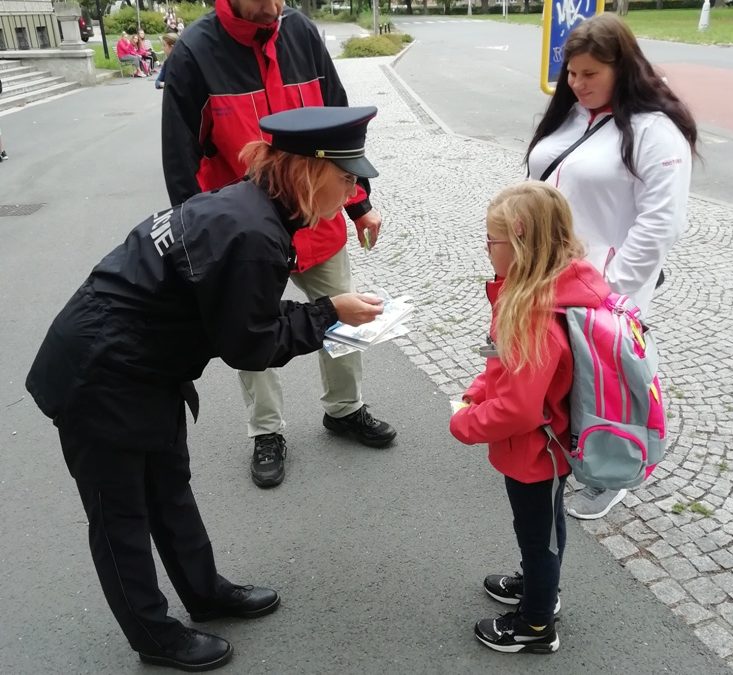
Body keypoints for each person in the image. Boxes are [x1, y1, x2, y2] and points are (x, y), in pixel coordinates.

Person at [25, 106, 385, 673]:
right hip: (100, 373)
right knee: (121, 514)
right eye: (347, 178)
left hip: (144, 365)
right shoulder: (250, 229)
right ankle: (153, 635)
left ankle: (204, 593)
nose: (353, 191)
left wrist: (319, 313)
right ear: (308, 171)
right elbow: (251, 343)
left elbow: (241, 316)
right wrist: (327, 313)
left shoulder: (254, 208)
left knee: (169, 488)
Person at [162, 0, 397, 490]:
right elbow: (180, 157)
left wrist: (358, 203)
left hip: (317, 219)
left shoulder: (302, 34)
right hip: (245, 233)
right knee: (251, 328)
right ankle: (266, 431)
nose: (276, 6)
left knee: (343, 313)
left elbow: (340, 133)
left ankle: (345, 408)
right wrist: (199, 245)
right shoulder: (194, 52)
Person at [526, 13, 696, 520]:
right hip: (548, 277)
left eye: (589, 74)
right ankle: (561, 446)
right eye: (571, 74)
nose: (577, 85)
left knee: (607, 382)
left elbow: (661, 223)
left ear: (621, 68)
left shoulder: (654, 130)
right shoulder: (574, 115)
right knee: (559, 372)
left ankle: (613, 467)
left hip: (603, 287)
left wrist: (608, 291)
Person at [450, 181, 611, 654]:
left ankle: (536, 624)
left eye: (491, 240)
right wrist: (478, 390)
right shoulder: (555, 290)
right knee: (545, 529)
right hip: (553, 444)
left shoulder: (532, 314)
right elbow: (510, 372)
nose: (486, 249)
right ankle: (540, 586)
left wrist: (464, 424)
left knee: (538, 537)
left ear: (520, 242)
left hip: (536, 452)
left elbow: (520, 406)